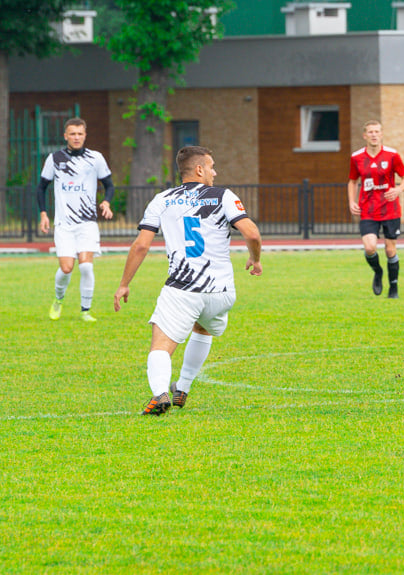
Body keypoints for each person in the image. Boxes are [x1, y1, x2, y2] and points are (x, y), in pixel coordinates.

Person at [113, 146, 262, 416]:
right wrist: (255, 258)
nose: (215, 172)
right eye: (212, 166)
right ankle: (182, 387)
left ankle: (159, 394)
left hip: (182, 288)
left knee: (161, 345)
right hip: (221, 291)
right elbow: (251, 233)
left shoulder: (162, 199)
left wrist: (124, 283)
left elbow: (141, 246)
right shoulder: (223, 196)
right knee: (202, 329)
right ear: (199, 170)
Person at [37, 117, 115, 322]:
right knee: (66, 268)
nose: (77, 137)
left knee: (86, 266)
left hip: (87, 223)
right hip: (64, 225)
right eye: (72, 134)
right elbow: (41, 187)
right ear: (66, 136)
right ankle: (58, 299)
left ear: (85, 135)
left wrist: (106, 202)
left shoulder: (95, 158)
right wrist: (43, 213)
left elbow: (109, 185)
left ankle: (85, 311)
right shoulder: (54, 159)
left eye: (80, 133)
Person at [347, 120, 404, 298]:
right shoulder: (357, 157)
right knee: (369, 248)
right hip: (368, 210)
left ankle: (393, 288)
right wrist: (352, 201)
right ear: (365, 136)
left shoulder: (392, 155)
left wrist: (398, 189)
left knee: (390, 250)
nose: (374, 135)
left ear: (381, 134)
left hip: (390, 209)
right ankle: (378, 272)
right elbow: (352, 181)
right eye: (370, 132)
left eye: (377, 131)